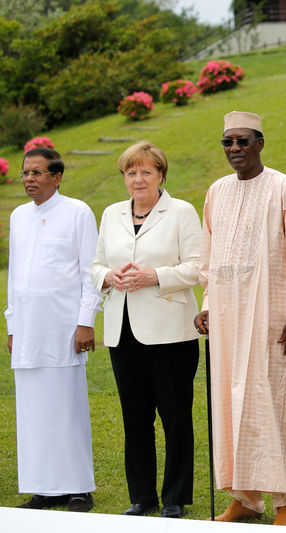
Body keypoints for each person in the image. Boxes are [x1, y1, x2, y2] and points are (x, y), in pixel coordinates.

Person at [194, 111, 286, 525]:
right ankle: (245, 497)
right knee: (230, 402)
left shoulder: (284, 188)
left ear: (260, 142)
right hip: (226, 315)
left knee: (274, 401)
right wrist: (206, 304)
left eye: (243, 141)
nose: (235, 149)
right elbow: (209, 258)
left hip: (272, 314)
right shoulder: (217, 191)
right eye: (228, 142)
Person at [91, 142, 202, 518]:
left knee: (174, 417)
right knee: (135, 418)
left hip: (171, 334)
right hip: (123, 333)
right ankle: (142, 497)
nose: (138, 179)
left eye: (146, 172)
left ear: (161, 175)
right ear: (124, 177)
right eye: (131, 172)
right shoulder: (111, 214)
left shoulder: (181, 212)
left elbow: (198, 266)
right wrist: (108, 276)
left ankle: (174, 498)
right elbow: (95, 264)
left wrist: (155, 276)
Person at [5, 148, 102, 512]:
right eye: (25, 173)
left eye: (37, 173)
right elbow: (15, 277)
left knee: (67, 409)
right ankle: (45, 488)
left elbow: (89, 273)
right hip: (28, 330)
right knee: (33, 412)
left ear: (57, 177)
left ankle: (78, 489)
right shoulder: (18, 216)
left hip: (64, 329)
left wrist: (85, 321)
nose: (29, 179)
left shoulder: (77, 212)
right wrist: (13, 325)